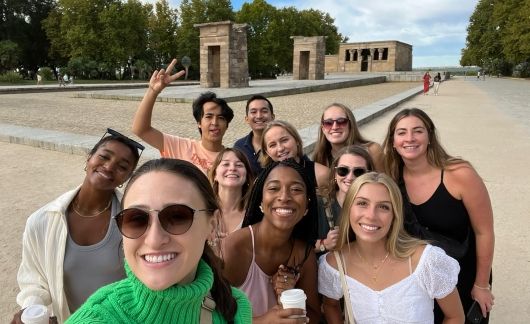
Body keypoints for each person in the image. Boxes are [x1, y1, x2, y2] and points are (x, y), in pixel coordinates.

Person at [66, 159, 252, 323]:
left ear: (211, 225)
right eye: (136, 219)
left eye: (178, 217)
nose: (154, 240)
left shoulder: (235, 306)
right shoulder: (97, 319)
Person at [12, 129, 143, 323]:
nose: (108, 167)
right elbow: (34, 281)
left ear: (126, 178)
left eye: (122, 167)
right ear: (89, 158)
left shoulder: (136, 221)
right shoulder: (42, 221)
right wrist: (32, 309)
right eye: (104, 156)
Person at [382, 108, 495, 322]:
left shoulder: (460, 174)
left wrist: (481, 284)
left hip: (464, 272)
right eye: (402, 132)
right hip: (421, 278)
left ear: (430, 136)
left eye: (418, 131)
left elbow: (484, 232)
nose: (410, 138)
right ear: (393, 142)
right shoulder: (391, 179)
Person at [318, 172, 464, 323]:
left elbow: (455, 316)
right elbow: (330, 305)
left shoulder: (426, 261)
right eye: (362, 203)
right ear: (348, 209)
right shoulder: (335, 264)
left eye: (383, 207)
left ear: (395, 216)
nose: (371, 215)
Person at [222, 159, 320, 323]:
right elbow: (209, 314)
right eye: (274, 188)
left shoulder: (303, 254)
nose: (284, 197)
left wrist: (290, 293)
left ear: (307, 206)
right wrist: (263, 321)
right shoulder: (234, 248)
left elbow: (314, 317)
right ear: (260, 201)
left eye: (296, 189)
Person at [132, 58, 234, 174]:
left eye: (221, 118)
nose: (215, 122)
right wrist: (153, 91)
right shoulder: (180, 146)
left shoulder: (232, 161)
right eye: (208, 116)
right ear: (199, 123)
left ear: (227, 125)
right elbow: (141, 130)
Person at [316, 145, 375, 254]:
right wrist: (324, 243)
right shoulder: (318, 203)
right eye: (343, 170)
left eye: (359, 172)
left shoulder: (376, 207)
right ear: (335, 174)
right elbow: (297, 244)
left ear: (369, 175)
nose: (350, 177)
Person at [261, 120, 329, 194]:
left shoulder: (321, 174)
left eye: (284, 140)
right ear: (267, 152)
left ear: (296, 140)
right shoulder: (262, 179)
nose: (280, 148)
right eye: (272, 145)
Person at [208, 148, 255, 254]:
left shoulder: (255, 216)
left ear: (247, 176)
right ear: (215, 174)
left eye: (239, 165)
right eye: (225, 164)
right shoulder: (203, 212)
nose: (232, 168)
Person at [312, 103, 384, 171]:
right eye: (328, 123)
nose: (335, 127)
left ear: (350, 125)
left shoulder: (372, 151)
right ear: (323, 129)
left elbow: (385, 182)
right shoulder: (320, 158)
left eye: (341, 121)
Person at [234, 95, 275, 175]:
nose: (259, 116)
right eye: (253, 112)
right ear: (247, 119)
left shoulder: (281, 146)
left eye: (264, 111)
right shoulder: (239, 147)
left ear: (272, 117)